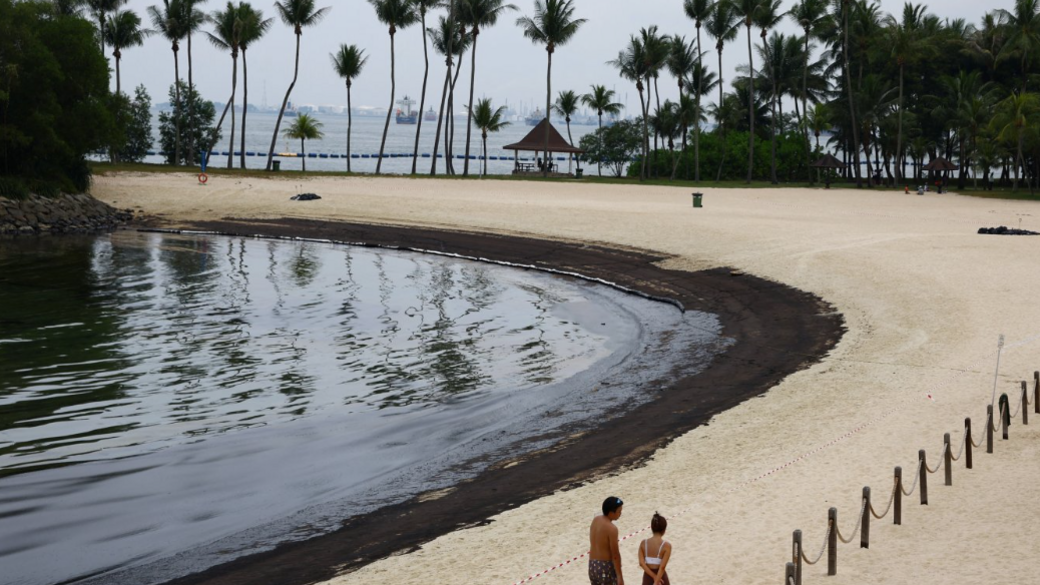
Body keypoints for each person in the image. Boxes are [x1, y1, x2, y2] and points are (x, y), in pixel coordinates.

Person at [589, 496, 624, 585]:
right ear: (611, 512)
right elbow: (615, 554)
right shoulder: (612, 529)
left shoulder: (595, 520)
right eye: (619, 511)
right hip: (605, 567)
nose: (620, 514)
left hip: (592, 565)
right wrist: (620, 576)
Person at [638, 513, 672, 585]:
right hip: (661, 577)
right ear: (664, 530)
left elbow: (641, 563)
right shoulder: (667, 546)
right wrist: (657, 580)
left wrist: (654, 576)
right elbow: (662, 567)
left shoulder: (643, 543)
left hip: (647, 577)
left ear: (652, 528)